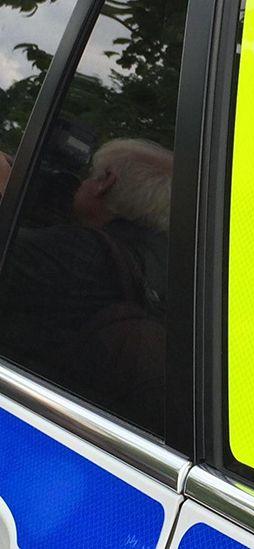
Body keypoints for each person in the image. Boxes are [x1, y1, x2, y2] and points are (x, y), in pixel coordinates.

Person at [0, 138, 172, 431]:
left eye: (88, 173)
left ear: (105, 182)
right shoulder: (162, 263)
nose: (77, 183)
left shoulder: (78, 255)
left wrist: (6, 190)